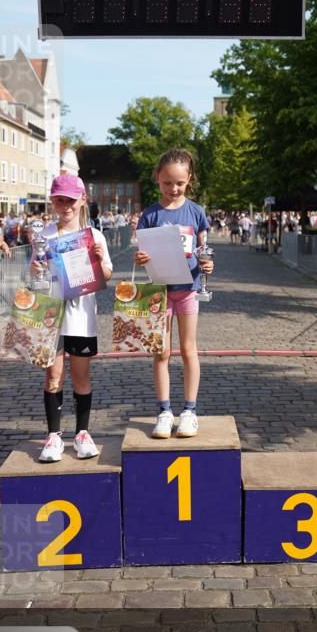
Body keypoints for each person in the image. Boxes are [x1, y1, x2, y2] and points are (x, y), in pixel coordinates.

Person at [134, 148, 214, 439]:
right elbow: (141, 250)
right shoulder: (150, 214)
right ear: (158, 178)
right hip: (160, 292)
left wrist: (207, 264)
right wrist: (139, 259)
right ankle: (164, 412)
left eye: (179, 183)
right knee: (161, 352)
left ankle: (190, 411)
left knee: (189, 350)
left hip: (188, 290)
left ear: (189, 179)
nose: (173, 188)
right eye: (168, 183)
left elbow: (204, 249)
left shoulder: (196, 211)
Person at [35, 174, 113, 464]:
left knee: (81, 377)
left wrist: (100, 258)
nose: (65, 205)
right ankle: (54, 435)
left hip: (81, 317)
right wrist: (35, 270)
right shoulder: (45, 235)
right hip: (52, 315)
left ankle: (82, 433)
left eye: (70, 199)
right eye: (59, 199)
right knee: (53, 376)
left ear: (82, 200)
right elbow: (37, 279)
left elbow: (105, 276)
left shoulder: (95, 236)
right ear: (52, 200)